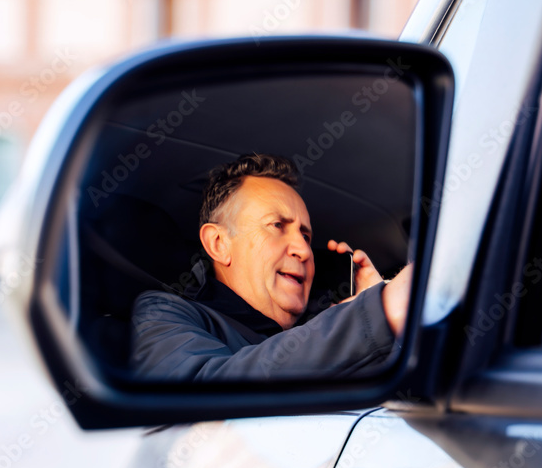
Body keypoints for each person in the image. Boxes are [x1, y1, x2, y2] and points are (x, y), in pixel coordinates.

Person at [130, 153, 411, 380]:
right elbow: (202, 391)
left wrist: (388, 335)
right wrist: (378, 313)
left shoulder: (325, 325)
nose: (303, 250)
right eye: (277, 225)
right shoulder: (164, 314)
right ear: (218, 243)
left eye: (306, 235)